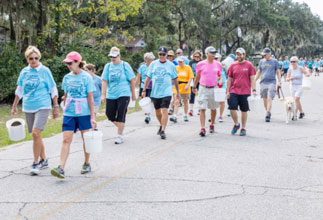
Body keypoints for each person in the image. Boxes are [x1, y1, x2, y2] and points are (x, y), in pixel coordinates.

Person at [11, 46, 59, 175]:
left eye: (36, 58)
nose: (34, 60)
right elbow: (20, 89)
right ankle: (44, 160)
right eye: (31, 58)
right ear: (27, 59)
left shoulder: (45, 71)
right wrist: (15, 105)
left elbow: (53, 89)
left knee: (36, 133)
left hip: (43, 105)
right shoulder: (24, 72)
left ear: (39, 58)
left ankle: (35, 162)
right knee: (36, 135)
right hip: (28, 106)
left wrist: (56, 106)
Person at [51, 51, 96, 179]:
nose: (68, 65)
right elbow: (66, 94)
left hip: (83, 113)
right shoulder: (67, 78)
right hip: (69, 113)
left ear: (78, 62)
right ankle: (61, 168)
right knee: (66, 139)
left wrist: (93, 117)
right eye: (67, 63)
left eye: (70, 63)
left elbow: (90, 98)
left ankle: (87, 163)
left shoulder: (86, 77)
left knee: (85, 139)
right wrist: (63, 105)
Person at [142, 46, 180, 139]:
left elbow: (175, 79)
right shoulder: (153, 64)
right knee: (158, 111)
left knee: (164, 110)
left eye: (164, 54)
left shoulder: (171, 65)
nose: (162, 56)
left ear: (166, 55)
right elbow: (148, 78)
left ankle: (163, 130)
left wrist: (178, 92)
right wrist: (144, 90)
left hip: (166, 92)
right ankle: (161, 124)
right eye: (160, 54)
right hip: (155, 92)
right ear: (158, 54)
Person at [101, 47, 136, 144]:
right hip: (111, 94)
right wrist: (103, 94)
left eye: (114, 56)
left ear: (119, 56)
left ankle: (119, 135)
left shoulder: (125, 65)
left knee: (121, 114)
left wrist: (133, 94)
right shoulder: (108, 66)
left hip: (124, 93)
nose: (113, 58)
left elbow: (132, 80)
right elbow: (104, 80)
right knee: (109, 114)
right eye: (111, 56)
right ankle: (121, 127)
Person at [226, 48, 256, 136]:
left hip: (245, 91)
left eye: (240, 54)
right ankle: (236, 124)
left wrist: (254, 89)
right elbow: (229, 79)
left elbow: (252, 79)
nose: (239, 56)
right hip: (234, 90)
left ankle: (243, 128)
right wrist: (227, 91)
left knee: (244, 110)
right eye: (237, 54)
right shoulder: (233, 65)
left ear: (244, 54)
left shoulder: (249, 65)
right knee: (232, 107)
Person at [193, 46, 222, 137]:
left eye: (214, 53)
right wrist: (194, 86)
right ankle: (202, 128)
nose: (213, 54)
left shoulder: (218, 64)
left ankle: (212, 124)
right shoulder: (200, 64)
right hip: (203, 87)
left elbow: (220, 75)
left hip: (214, 88)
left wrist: (220, 81)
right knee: (202, 108)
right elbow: (197, 76)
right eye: (211, 53)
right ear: (207, 54)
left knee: (213, 108)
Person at [255, 48, 281, 122]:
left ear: (269, 54)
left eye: (265, 54)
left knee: (269, 98)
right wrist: (254, 81)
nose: (264, 56)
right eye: (263, 54)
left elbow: (278, 71)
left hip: (272, 82)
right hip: (263, 82)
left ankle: (267, 113)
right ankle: (268, 111)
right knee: (264, 99)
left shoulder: (274, 61)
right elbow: (259, 71)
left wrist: (279, 81)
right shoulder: (261, 61)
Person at [170, 56, 194, 122]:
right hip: (177, 86)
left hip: (185, 86)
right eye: (179, 62)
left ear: (184, 62)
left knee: (185, 101)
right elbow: (173, 77)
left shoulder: (188, 67)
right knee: (176, 101)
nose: (180, 63)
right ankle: (175, 115)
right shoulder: (176, 68)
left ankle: (185, 115)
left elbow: (191, 77)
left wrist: (188, 85)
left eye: (181, 62)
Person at [136, 52, 155, 124]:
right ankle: (147, 113)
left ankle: (148, 116)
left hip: (151, 86)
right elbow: (138, 77)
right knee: (144, 100)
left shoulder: (154, 66)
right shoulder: (142, 67)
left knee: (149, 100)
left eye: (152, 59)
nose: (151, 61)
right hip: (143, 86)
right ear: (146, 59)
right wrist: (135, 86)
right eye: (149, 59)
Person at [188, 50, 203, 116]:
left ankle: (200, 109)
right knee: (192, 94)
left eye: (198, 56)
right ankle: (191, 109)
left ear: (200, 56)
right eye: (195, 56)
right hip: (193, 79)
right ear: (193, 56)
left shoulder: (202, 62)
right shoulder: (191, 62)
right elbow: (189, 71)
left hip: (201, 80)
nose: (197, 57)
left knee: (200, 94)